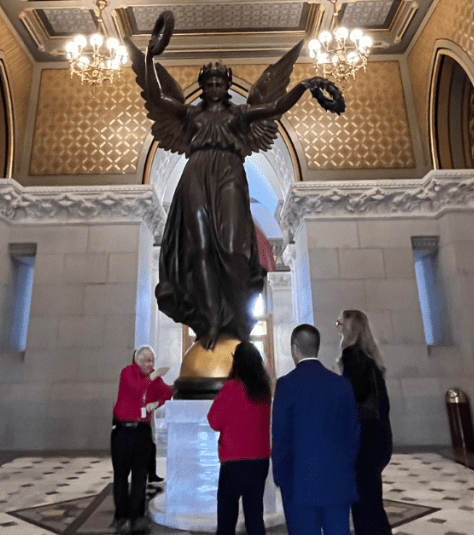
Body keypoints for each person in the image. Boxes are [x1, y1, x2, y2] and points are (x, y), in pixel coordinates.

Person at [126, 16, 343, 351]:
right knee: (198, 247)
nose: (214, 85)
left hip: (228, 175)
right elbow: (156, 98)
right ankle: (211, 320)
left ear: (227, 85)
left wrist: (305, 85)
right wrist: (151, 57)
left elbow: (273, 106)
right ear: (204, 84)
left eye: (219, 80)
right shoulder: (190, 115)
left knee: (231, 248)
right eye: (208, 80)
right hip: (196, 175)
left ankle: (236, 317)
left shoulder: (239, 116)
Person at [272, 324, 361, 535]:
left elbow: (281, 438)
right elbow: (354, 434)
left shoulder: (286, 385)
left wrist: (281, 478)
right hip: (338, 480)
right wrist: (344, 466)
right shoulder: (341, 384)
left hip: (299, 485)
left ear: (294, 348)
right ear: (317, 348)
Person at [336, 310, 393, 535]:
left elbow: (350, 400)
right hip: (379, 440)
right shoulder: (371, 361)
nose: (338, 330)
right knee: (373, 503)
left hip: (363, 443)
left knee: (364, 509)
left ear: (349, 331)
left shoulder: (352, 356)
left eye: (339, 324)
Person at [207, 342, 273, 535]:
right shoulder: (264, 391)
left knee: (227, 520)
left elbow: (214, 421)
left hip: (234, 462)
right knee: (254, 517)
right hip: (259, 461)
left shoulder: (231, 388)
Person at [111, 346, 172, 534]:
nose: (151, 364)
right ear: (137, 360)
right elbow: (137, 389)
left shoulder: (154, 377)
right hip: (123, 431)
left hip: (142, 432)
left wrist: (157, 402)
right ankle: (121, 517)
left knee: (140, 476)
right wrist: (153, 377)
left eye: (152, 360)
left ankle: (137, 517)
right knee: (121, 476)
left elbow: (167, 392)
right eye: (146, 360)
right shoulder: (127, 372)